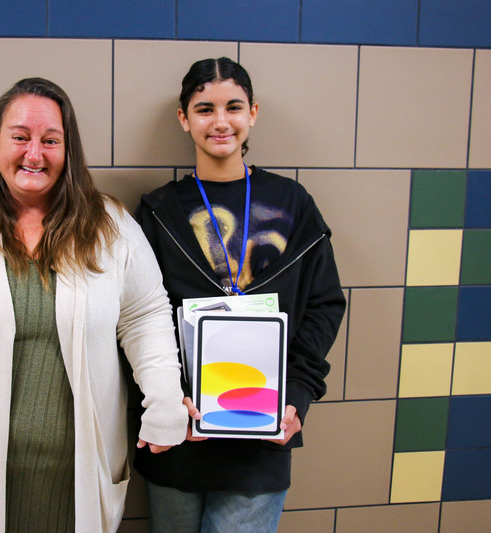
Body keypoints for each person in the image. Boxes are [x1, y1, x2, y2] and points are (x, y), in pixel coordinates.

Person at [0, 77, 188, 533]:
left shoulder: (111, 228)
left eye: (51, 140)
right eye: (20, 137)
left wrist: (164, 401)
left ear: (68, 149)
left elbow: (145, 317)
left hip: (79, 477)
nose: (35, 154)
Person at [133, 57, 346, 533]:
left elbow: (325, 304)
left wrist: (298, 395)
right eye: (204, 108)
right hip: (180, 435)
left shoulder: (293, 204)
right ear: (184, 119)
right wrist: (164, 401)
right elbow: (135, 319)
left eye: (233, 106)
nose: (220, 121)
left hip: (260, 439)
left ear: (253, 112)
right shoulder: (158, 210)